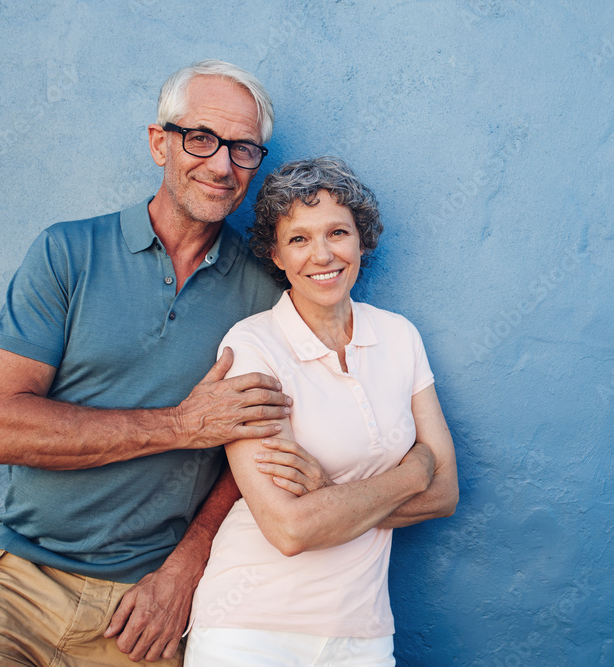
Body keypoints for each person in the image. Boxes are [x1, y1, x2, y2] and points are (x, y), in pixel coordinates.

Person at [0, 60, 329, 666]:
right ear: (160, 142)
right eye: (202, 139)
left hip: (149, 606)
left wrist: (189, 564)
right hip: (19, 585)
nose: (222, 165)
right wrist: (181, 426)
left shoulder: (270, 290)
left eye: (244, 149)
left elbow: (265, 450)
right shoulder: (67, 252)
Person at [184, 157, 459, 665]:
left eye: (338, 232)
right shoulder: (253, 346)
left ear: (361, 241)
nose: (323, 254)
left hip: (362, 632)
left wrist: (329, 496)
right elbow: (290, 529)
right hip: (250, 630)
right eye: (299, 239)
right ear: (277, 255)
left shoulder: (399, 336)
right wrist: (414, 469)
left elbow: (445, 495)